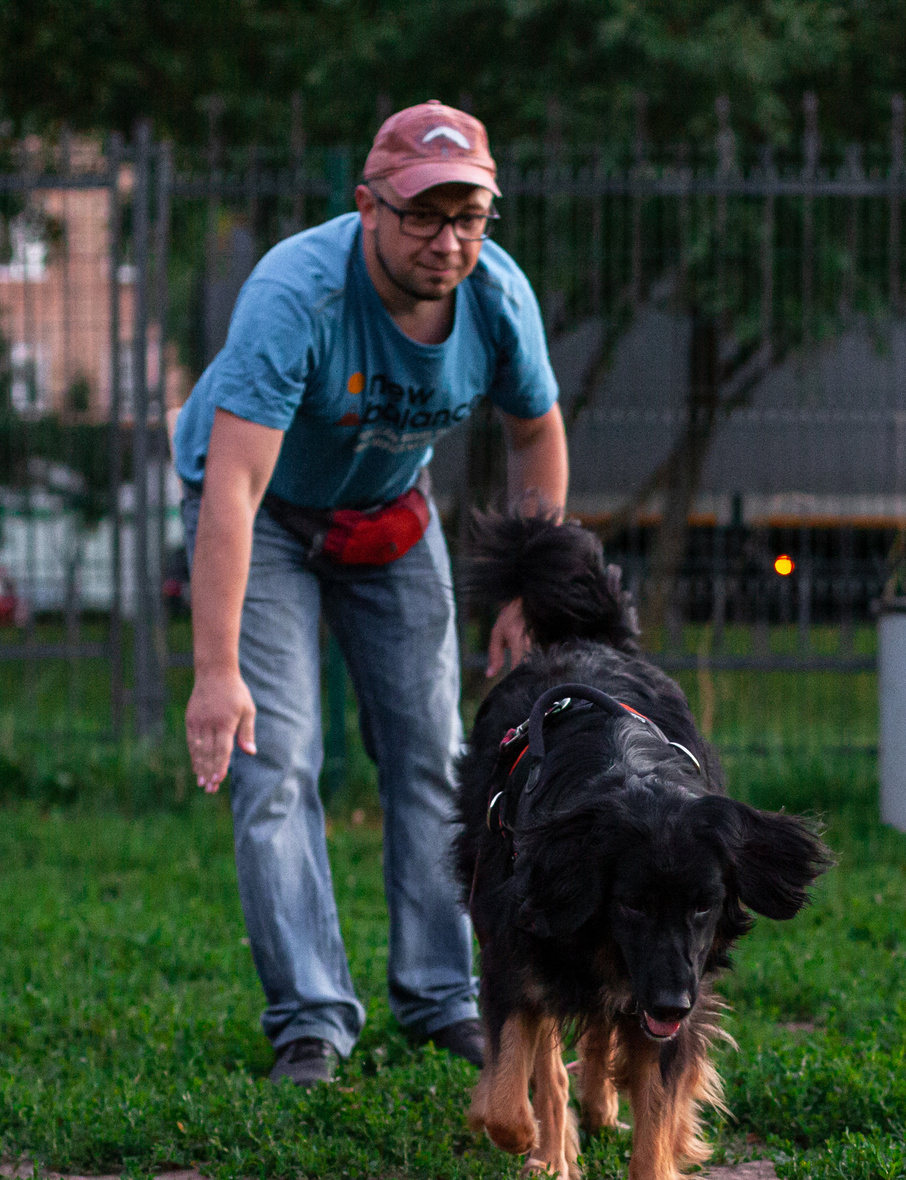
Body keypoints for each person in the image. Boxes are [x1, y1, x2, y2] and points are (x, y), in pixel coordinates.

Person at [174, 101, 563, 1085]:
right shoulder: (295, 293)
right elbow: (232, 485)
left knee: (437, 758)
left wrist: (526, 588)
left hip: (388, 516)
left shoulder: (496, 298)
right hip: (265, 518)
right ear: (367, 207)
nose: (447, 240)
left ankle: (442, 997)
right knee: (279, 762)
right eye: (424, 215)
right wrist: (216, 672)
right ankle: (310, 1019)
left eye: (468, 216)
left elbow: (536, 434)